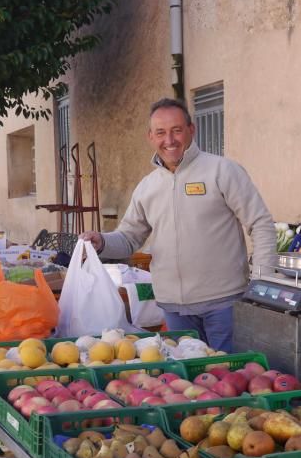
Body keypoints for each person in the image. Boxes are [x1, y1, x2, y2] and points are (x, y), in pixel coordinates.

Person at [82, 98, 276, 352]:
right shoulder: (147, 187)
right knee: (189, 386)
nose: (169, 140)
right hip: (173, 308)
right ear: (151, 137)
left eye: (176, 130)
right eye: (161, 132)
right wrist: (102, 241)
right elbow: (129, 238)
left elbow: (260, 223)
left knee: (229, 379)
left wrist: (260, 284)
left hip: (224, 305)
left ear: (191, 130)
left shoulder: (222, 171)